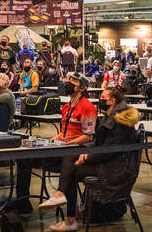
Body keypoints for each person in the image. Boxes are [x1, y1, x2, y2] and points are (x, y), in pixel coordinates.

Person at [39, 87, 139, 231]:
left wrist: (86, 159)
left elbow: (109, 151)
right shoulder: (110, 115)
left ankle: (69, 218)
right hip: (107, 161)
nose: (100, 100)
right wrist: (84, 151)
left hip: (115, 168)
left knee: (72, 170)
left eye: (103, 97)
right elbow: (100, 143)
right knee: (70, 155)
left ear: (112, 101)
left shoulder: (120, 121)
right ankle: (61, 197)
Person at [13, 73, 97, 215]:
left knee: (67, 162)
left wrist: (67, 145)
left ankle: (67, 208)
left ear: (82, 88)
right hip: (60, 148)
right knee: (24, 158)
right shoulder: (66, 107)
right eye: (68, 79)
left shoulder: (88, 107)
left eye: (74, 81)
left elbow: (88, 136)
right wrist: (51, 141)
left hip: (74, 151)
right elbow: (62, 133)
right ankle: (22, 203)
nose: (69, 83)